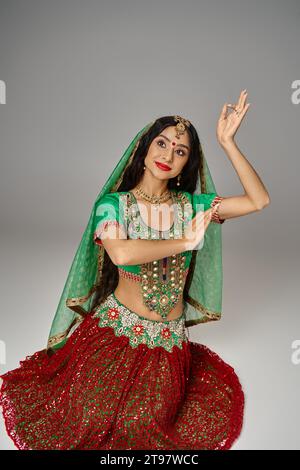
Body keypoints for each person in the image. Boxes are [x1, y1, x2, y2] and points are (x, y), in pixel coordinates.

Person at [0, 92, 270, 450]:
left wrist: (227, 143)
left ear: (186, 164)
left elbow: (258, 200)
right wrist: (185, 242)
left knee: (144, 423)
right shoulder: (113, 204)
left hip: (167, 344)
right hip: (114, 333)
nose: (167, 154)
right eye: (161, 143)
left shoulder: (193, 206)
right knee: (88, 418)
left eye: (180, 150)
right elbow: (122, 252)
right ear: (143, 149)